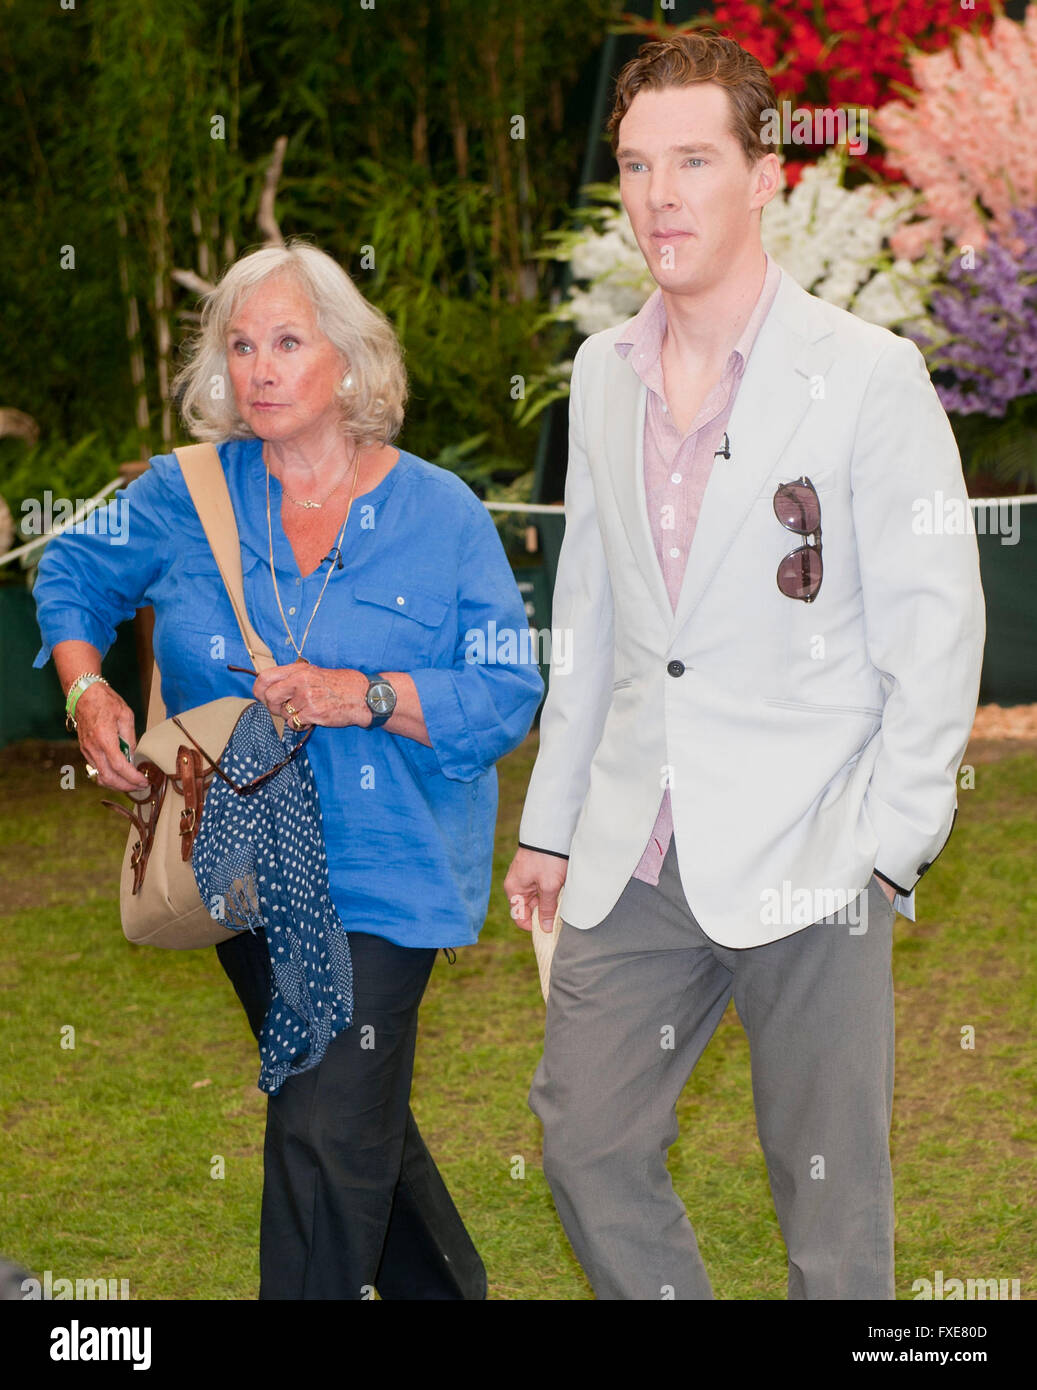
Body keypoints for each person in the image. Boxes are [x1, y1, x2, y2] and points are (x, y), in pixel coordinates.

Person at [504, 30, 985, 1300]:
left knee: (829, 1216)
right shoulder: (598, 378)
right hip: (638, 847)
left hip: (816, 847)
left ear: (761, 172)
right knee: (585, 1144)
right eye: (635, 165)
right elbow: (593, 620)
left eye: (692, 159)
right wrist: (550, 824)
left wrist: (889, 844)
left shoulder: (868, 379)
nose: (660, 194)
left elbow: (937, 624)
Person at [34, 238, 544, 1299]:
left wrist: (362, 693)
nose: (257, 368)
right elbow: (72, 571)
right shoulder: (186, 494)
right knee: (348, 1110)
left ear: (347, 364)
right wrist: (88, 690)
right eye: (240, 347)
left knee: (319, 1117)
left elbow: (504, 689)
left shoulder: (439, 512)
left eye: (285, 342)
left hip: (390, 870)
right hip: (242, 865)